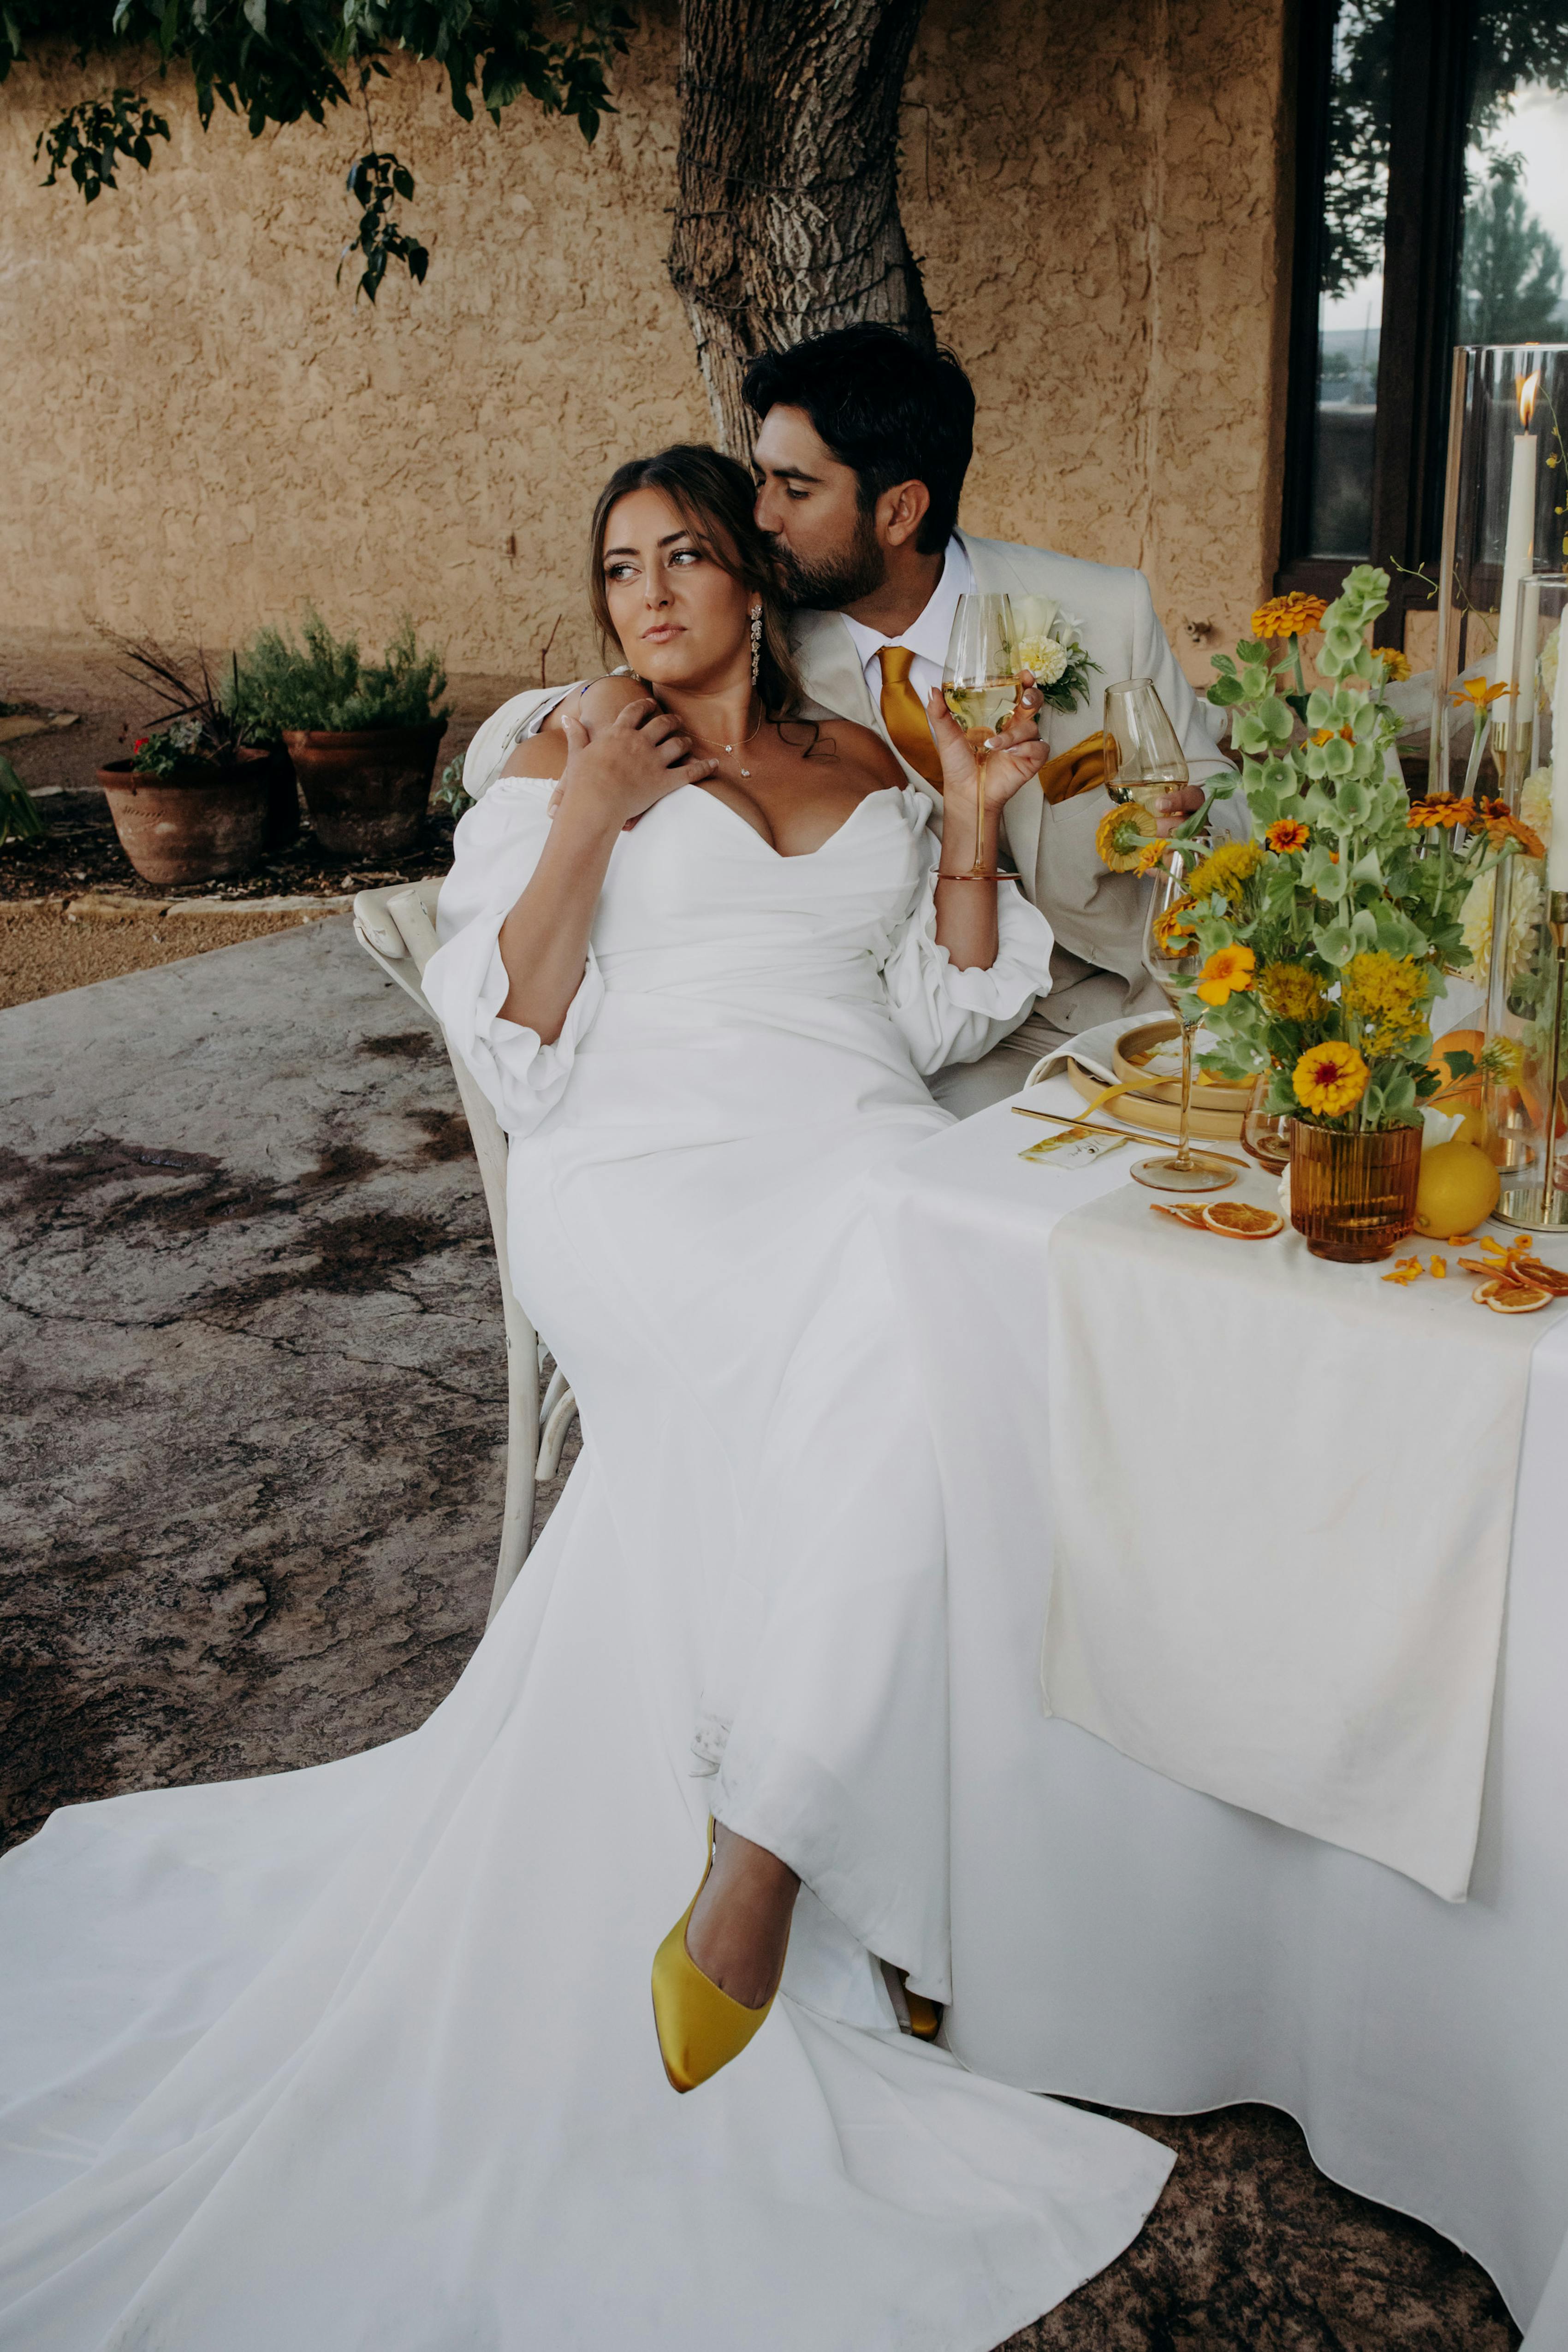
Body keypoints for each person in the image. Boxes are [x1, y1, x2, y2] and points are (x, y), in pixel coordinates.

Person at [0, 445, 1172, 2347]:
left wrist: (965, 823)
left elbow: (951, 1020)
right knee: (906, 1321)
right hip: (640, 1181)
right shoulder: (561, 758)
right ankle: (793, 1872)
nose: (648, 594)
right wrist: (594, 820)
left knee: (942, 1295)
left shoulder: (869, 756)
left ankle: (777, 1842)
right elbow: (517, 1034)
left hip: (852, 1146)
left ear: (748, 578)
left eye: (687, 554)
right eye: (617, 567)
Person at [746, 323, 1240, 1108]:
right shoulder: (767, 655)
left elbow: (1217, 797)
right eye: (761, 480)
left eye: (795, 490)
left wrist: (1196, 824)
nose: (762, 515)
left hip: (1130, 1005)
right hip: (929, 1036)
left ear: (902, 510)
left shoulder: (1107, 612)